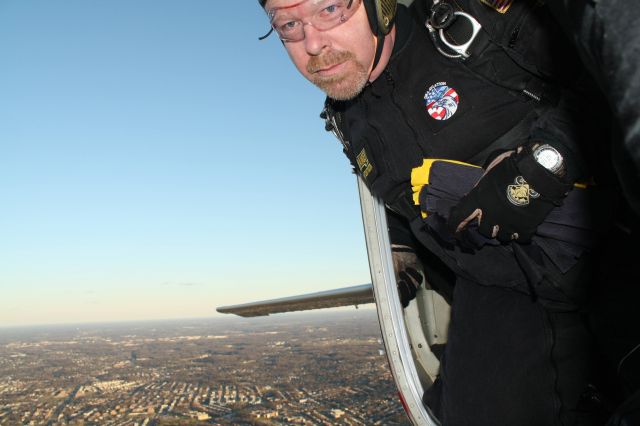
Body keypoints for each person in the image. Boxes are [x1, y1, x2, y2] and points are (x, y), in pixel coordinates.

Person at [256, 0, 634, 424]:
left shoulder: (469, 21)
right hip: (495, 285)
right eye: (288, 24)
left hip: (608, 248)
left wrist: (549, 160)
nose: (312, 44)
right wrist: (401, 252)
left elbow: (613, 68)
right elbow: (399, 196)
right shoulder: (349, 118)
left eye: (329, 10)